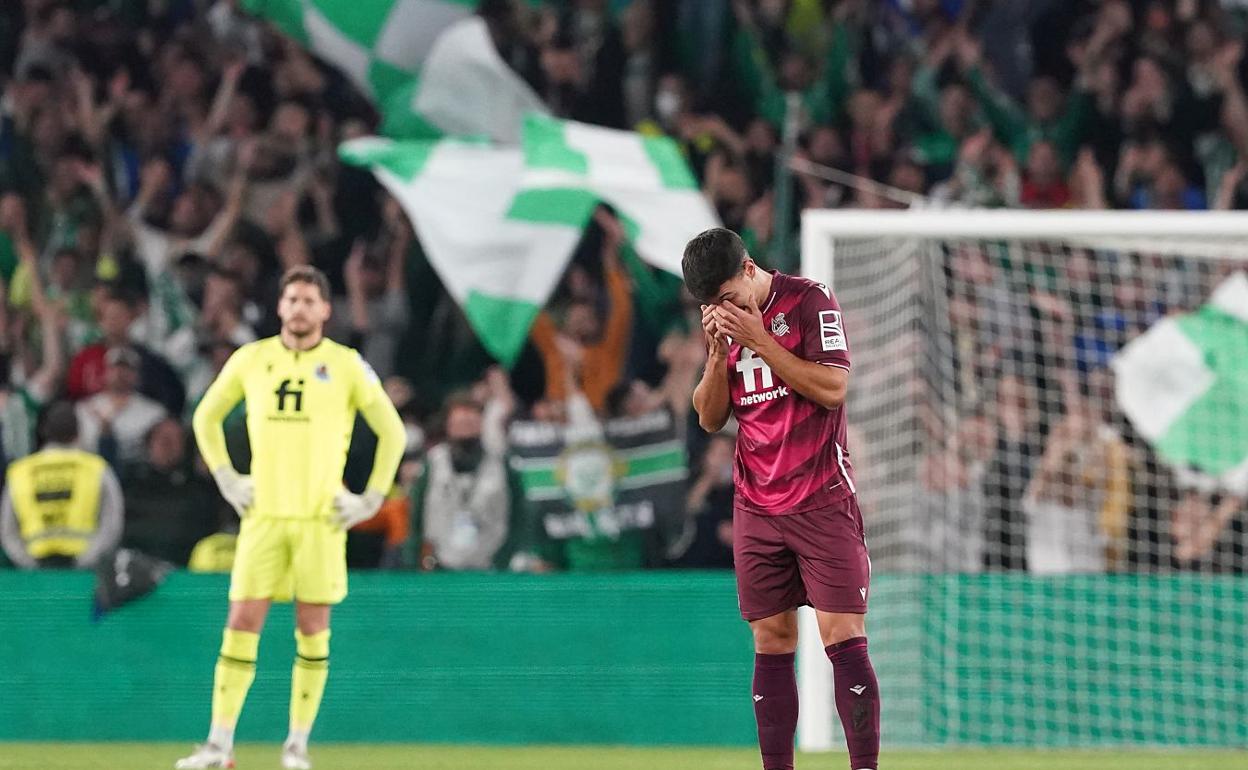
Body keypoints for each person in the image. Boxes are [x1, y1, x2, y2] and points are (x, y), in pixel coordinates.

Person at [176, 266, 406, 770]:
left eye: (309, 300)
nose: (299, 308)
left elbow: (393, 432)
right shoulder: (251, 359)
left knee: (313, 627)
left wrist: (371, 498)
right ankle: (219, 744)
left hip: (320, 520)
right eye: (292, 299)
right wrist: (226, 477)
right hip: (264, 516)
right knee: (242, 622)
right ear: (280, 307)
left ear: (325, 310)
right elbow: (204, 417)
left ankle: (297, 746)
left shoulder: (346, 365)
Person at [683, 228, 878, 770]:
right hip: (757, 505)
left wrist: (761, 339)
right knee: (771, 639)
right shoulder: (724, 327)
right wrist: (717, 355)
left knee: (842, 634)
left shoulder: (810, 300)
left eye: (728, 297)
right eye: (712, 305)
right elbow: (710, 417)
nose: (724, 310)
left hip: (822, 496)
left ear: (749, 270)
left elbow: (833, 388)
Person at [0, 401, 123, 569]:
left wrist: (29, 563)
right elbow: (112, 523)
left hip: (36, 571)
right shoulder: (96, 468)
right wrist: (87, 559)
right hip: (84, 571)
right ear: (78, 432)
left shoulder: (20, 471)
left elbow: (7, 529)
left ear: (44, 432)